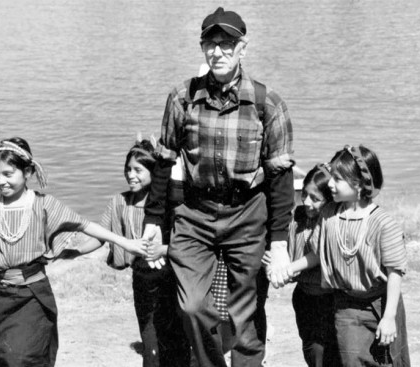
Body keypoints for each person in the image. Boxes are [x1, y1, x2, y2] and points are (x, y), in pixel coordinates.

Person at [143, 7, 295, 367]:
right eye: (211, 44)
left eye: (227, 44)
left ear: (243, 48)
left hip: (247, 213)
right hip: (195, 213)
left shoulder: (267, 104)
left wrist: (279, 241)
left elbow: (280, 177)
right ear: (202, 48)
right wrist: (153, 219)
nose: (218, 52)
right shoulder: (181, 97)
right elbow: (164, 162)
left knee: (245, 314)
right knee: (192, 307)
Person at [0, 137, 148, 367]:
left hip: (32, 297)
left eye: (8, 174)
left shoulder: (44, 205)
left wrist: (126, 243)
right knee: (1, 359)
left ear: (27, 172)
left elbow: (85, 225)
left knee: (26, 359)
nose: (1, 181)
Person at [65, 139, 191, 367]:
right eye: (128, 169)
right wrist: (76, 251)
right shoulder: (120, 202)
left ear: (155, 172)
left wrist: (162, 250)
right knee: (150, 339)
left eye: (138, 170)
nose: (130, 175)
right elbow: (101, 236)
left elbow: (187, 242)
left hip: (172, 278)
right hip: (142, 280)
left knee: (175, 340)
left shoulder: (169, 204)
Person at [291, 145, 411, 366]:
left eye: (337, 179)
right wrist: (290, 268)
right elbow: (318, 254)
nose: (329, 183)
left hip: (380, 303)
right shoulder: (329, 216)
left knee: (390, 360)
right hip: (345, 304)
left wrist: (389, 317)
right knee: (352, 360)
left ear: (357, 185)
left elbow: (395, 273)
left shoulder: (383, 223)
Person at [274, 164, 340, 367]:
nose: (307, 202)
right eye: (304, 194)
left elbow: (319, 253)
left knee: (328, 354)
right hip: (304, 297)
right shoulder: (298, 215)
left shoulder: (331, 217)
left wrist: (289, 268)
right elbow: (285, 245)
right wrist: (274, 261)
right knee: (311, 352)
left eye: (316, 198)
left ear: (329, 200)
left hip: (329, 300)